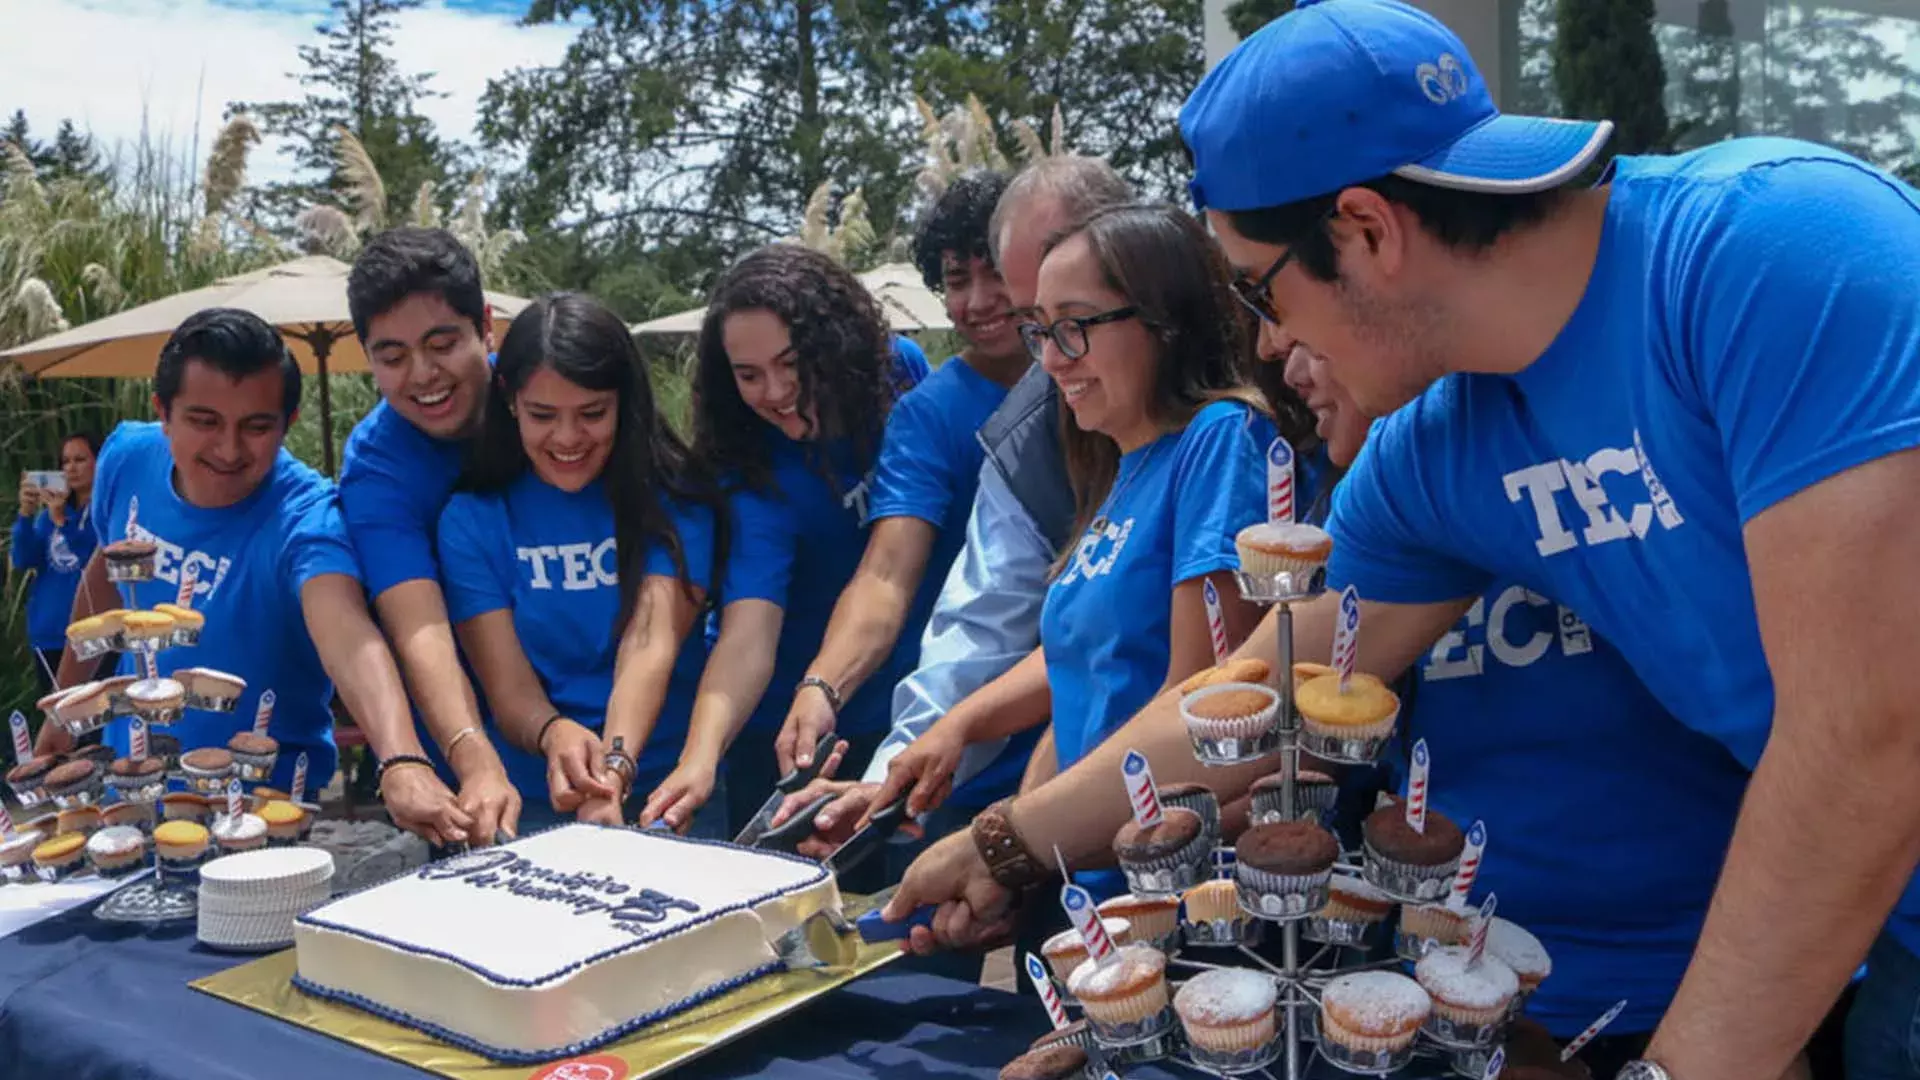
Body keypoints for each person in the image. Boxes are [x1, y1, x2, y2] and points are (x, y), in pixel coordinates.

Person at [885, 4, 1920, 1079]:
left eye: (1257, 285)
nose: (1269, 338)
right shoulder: (1438, 445)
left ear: (1368, 231)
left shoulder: (1775, 253)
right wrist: (1005, 842)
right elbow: (1262, 691)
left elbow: (1869, 733)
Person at [1284, 341, 1750, 1072]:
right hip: (1453, 989)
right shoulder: (1376, 517)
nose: (1286, 364)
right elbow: (1272, 704)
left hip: (1700, 988)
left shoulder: (1609, 452)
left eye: (1309, 335)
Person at [774, 157, 1139, 854]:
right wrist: (894, 758)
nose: (1056, 358)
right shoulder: (1004, 432)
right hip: (1020, 757)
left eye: (1075, 319)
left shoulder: (1221, 422)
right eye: (1040, 326)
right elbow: (976, 607)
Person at [33, 308, 433, 807]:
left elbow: (348, 633)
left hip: (264, 809)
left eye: (256, 426)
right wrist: (65, 710)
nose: (228, 449)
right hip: (132, 785)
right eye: (204, 422)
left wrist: (400, 758)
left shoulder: (307, 517)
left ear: (289, 422)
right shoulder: (124, 460)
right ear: (163, 411)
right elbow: (107, 580)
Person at [642, 243, 927, 838]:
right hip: (789, 741)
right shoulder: (748, 470)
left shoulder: (899, 373)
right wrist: (701, 756)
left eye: (792, 363)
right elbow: (748, 630)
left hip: (910, 709)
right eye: (748, 375)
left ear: (838, 345)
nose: (774, 391)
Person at [772, 170, 1035, 787]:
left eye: (996, 271)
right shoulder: (930, 413)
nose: (977, 300)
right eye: (956, 280)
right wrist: (822, 686)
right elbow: (887, 570)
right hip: (958, 744)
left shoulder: (1107, 384)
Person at [436, 292, 726, 834]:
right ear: (510, 401)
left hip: (672, 790)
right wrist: (553, 733)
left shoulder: (676, 498)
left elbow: (650, 644)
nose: (568, 438)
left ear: (624, 402)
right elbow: (506, 685)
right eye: (543, 415)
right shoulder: (471, 519)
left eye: (592, 414)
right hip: (533, 796)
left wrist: (614, 768)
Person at [339, 227, 522, 846]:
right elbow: (416, 621)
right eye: (392, 358)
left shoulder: (547, 397)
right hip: (474, 773)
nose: (423, 375)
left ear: (486, 328)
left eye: (442, 344)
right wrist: (473, 756)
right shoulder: (375, 467)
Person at [13, 432, 100, 693]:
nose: (71, 468)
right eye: (65, 462)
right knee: (58, 720)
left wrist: (63, 521)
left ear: (100, 462)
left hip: (91, 635)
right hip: (50, 634)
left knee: (91, 724)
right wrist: (26, 516)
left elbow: (93, 560)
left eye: (80, 459)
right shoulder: (49, 515)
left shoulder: (106, 512)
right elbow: (23, 559)